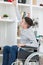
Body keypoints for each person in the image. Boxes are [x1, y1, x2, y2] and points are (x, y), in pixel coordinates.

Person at [2, 0, 39, 65]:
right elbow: (19, 17)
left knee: (13, 48)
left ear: (25, 25)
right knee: (6, 48)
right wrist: (15, 6)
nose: (20, 22)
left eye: (22, 21)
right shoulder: (24, 26)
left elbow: (35, 44)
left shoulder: (29, 32)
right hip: (21, 49)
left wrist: (24, 44)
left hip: (26, 51)